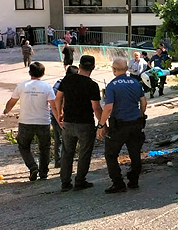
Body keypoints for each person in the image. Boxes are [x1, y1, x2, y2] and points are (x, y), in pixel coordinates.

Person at [2, 62, 61, 181]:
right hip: (43, 121)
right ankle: (44, 172)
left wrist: (6, 111)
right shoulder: (47, 87)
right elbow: (53, 106)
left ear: (29, 73)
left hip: (25, 122)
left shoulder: (22, 86)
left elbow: (12, 101)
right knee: (45, 147)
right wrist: (59, 119)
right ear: (43, 73)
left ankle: (33, 167)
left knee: (23, 145)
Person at [97, 58, 147, 193]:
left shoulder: (112, 86)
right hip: (136, 123)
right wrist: (141, 115)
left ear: (114, 70)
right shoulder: (136, 83)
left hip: (119, 126)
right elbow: (143, 102)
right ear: (127, 69)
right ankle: (134, 180)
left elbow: (108, 108)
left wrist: (101, 125)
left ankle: (118, 183)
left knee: (111, 154)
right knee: (135, 153)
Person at [56, 55, 102, 192]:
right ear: (93, 68)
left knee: (67, 153)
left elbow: (58, 97)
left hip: (68, 123)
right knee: (84, 153)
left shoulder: (67, 79)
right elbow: (96, 108)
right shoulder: (92, 85)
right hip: (85, 124)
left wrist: (59, 113)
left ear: (79, 65)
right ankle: (80, 180)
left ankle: (65, 182)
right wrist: (102, 124)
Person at [52, 66, 79, 168]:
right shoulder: (63, 84)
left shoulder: (59, 83)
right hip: (61, 116)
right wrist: (59, 116)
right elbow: (56, 101)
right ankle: (62, 163)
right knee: (64, 141)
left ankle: (59, 162)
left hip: (59, 115)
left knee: (59, 139)